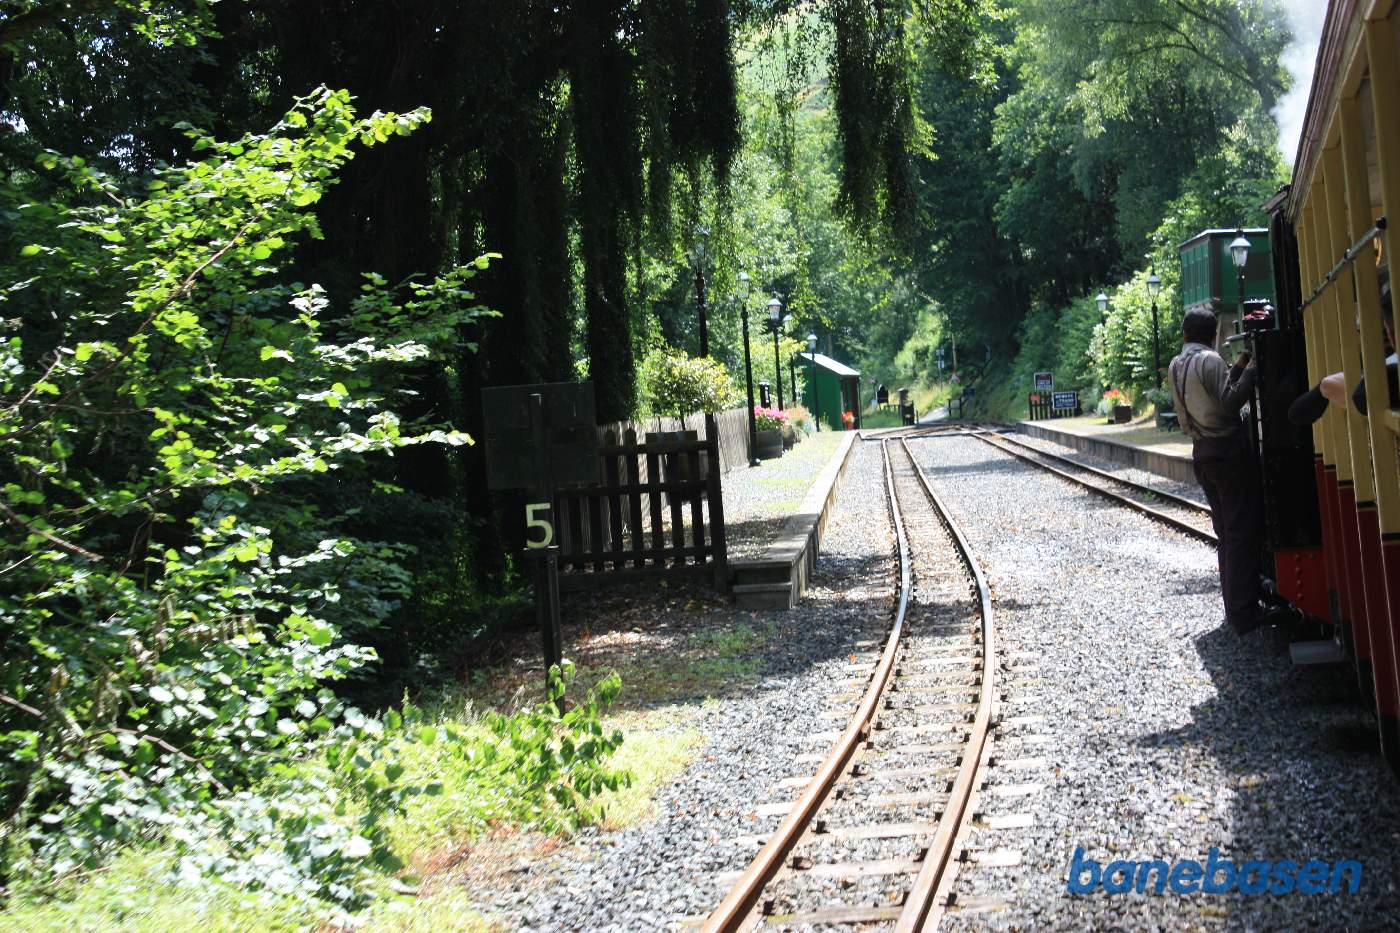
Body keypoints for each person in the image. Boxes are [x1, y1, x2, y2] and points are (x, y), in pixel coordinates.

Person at [1168, 306, 1266, 634]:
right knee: (1241, 534)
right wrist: (1251, 371)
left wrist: (1237, 366)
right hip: (1227, 452)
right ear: (1213, 335)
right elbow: (1227, 403)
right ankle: (1244, 614)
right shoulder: (1209, 360)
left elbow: (1209, 398)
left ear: (1185, 334)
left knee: (1226, 534)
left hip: (1202, 453)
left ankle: (1234, 607)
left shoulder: (1177, 364)